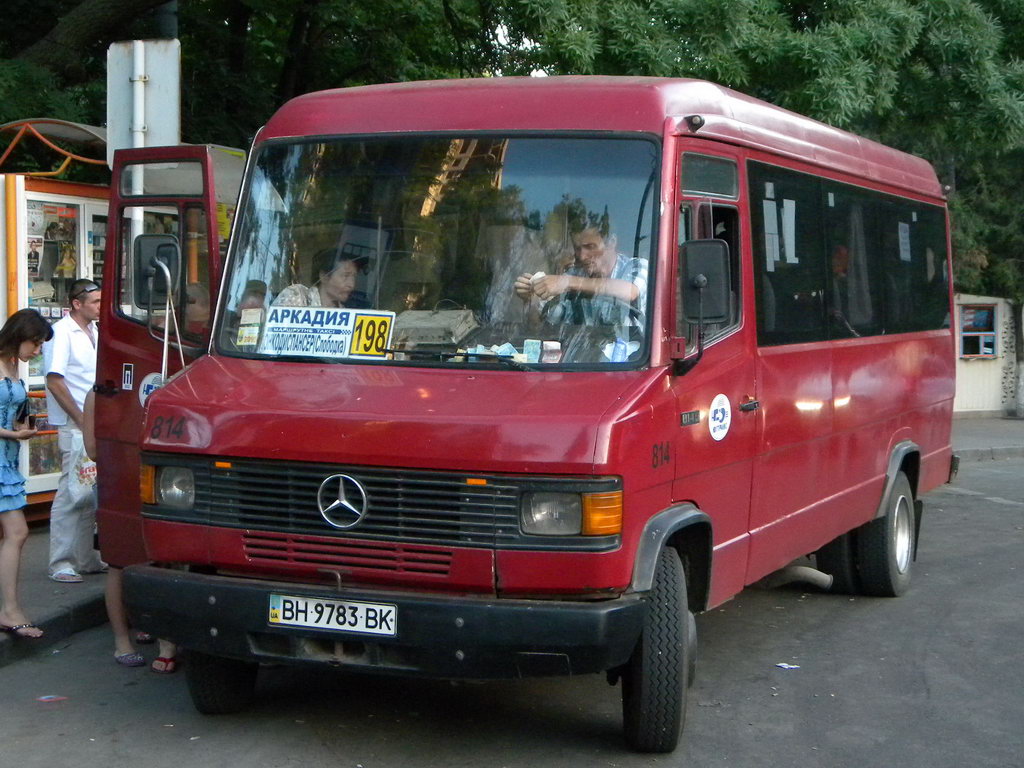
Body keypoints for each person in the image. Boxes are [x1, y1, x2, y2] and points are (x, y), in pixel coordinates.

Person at [82, 390, 176, 670]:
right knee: (120, 562)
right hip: (120, 481)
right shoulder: (100, 395)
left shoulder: (100, 393)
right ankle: (128, 640)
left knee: (137, 561)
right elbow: (93, 450)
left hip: (134, 479)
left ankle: (150, 635)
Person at [43, 278, 105, 583]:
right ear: (76, 303)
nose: (99, 306)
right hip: (76, 422)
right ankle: (61, 561)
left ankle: (85, 557)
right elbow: (55, 380)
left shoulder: (96, 331)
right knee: (70, 490)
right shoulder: (60, 332)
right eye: (94, 302)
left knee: (88, 491)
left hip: (92, 421)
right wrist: (81, 418)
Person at [0, 310, 51, 639]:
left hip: (7, 460)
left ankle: (10, 608)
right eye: (35, 343)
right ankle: (9, 609)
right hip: (5, 455)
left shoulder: (14, 366)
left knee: (15, 533)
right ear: (20, 336)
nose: (37, 351)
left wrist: (19, 430)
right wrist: (12, 434)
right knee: (16, 532)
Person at [514, 225, 648, 326]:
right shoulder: (574, 274)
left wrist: (567, 282)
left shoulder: (636, 266)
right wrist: (531, 300)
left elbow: (630, 291)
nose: (582, 256)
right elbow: (541, 328)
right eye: (578, 248)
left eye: (590, 247)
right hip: (582, 360)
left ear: (611, 242)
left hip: (630, 360)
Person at [273, 248, 369, 308]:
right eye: (345, 276)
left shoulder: (344, 314)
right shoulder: (297, 296)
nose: (351, 285)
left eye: (354, 277)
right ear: (324, 276)